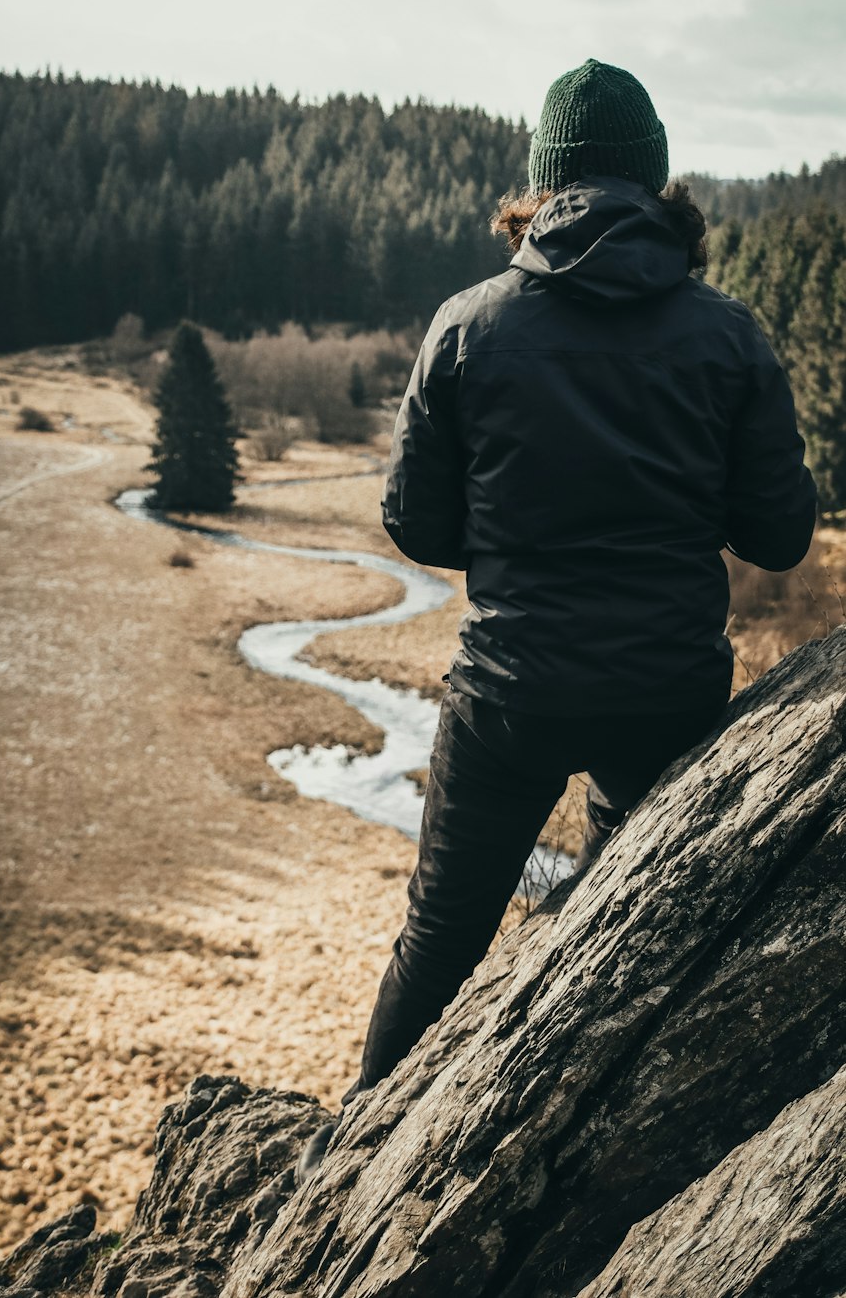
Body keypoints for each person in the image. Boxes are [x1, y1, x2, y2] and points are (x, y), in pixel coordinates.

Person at [296, 58, 817, 1184]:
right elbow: (779, 538)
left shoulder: (469, 324)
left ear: (542, 186)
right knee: (627, 924)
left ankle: (337, 1176)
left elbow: (412, 522)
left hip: (508, 689)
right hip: (668, 695)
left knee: (438, 940)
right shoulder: (726, 335)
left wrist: (522, 541)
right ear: (656, 182)